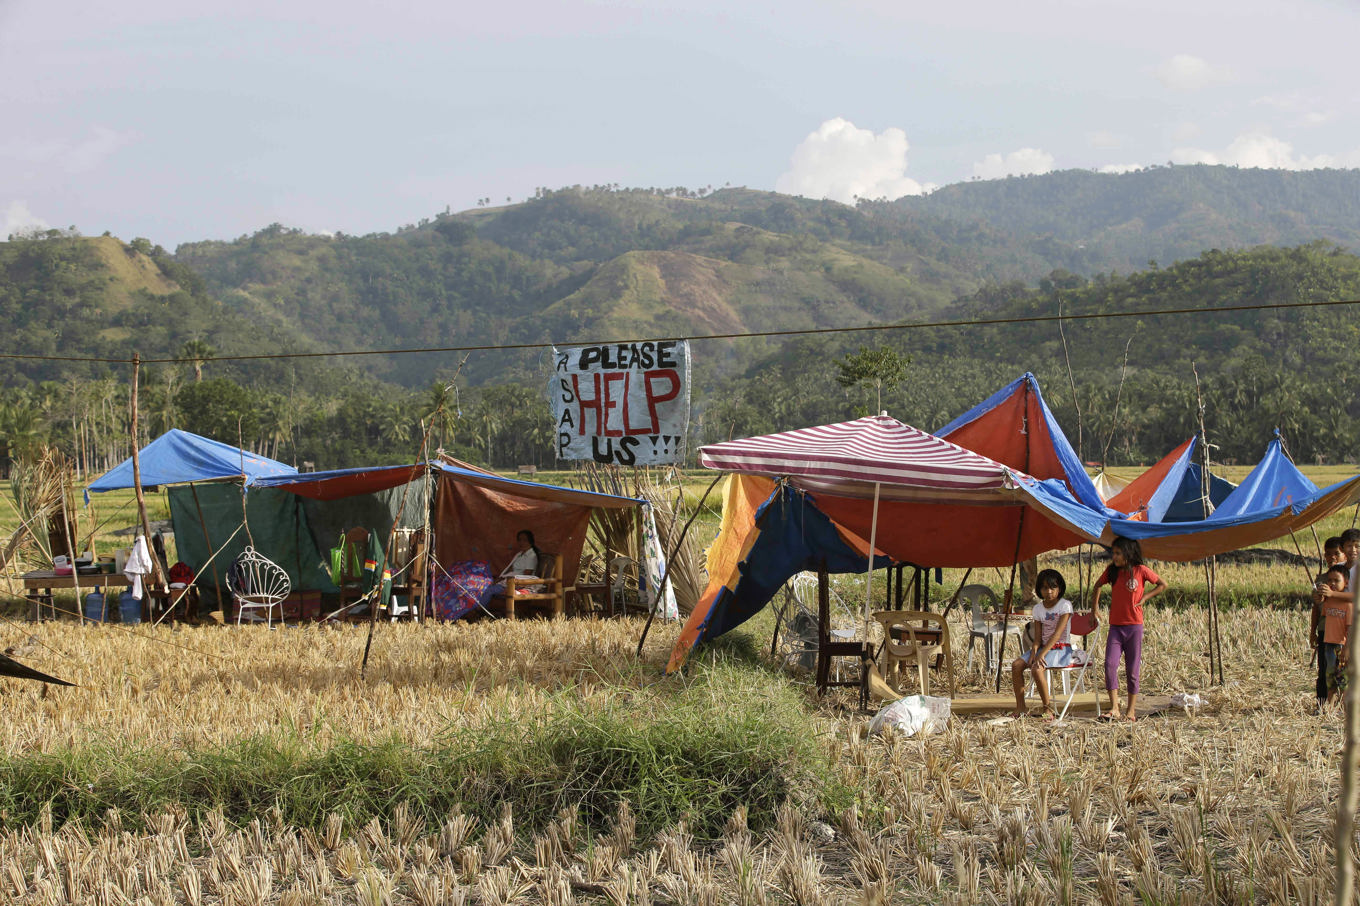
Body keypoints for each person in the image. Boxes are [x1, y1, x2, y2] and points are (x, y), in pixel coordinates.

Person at [1089, 536, 1167, 723]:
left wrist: (1146, 597)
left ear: (1128, 553)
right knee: (1109, 665)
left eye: (1118, 553)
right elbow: (1097, 585)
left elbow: (1162, 584)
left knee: (1132, 669)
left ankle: (1130, 711)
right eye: (1113, 553)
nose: (1114, 557)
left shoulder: (1141, 571)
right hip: (1115, 627)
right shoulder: (1112, 572)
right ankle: (1114, 707)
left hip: (1134, 627)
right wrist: (1094, 610)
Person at [1010, 568, 1073, 720]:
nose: (1049, 591)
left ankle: (1048, 709)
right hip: (1043, 648)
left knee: (1037, 669)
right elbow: (1038, 637)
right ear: (1039, 590)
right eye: (1045, 588)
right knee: (1016, 665)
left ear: (1060, 588)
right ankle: (1021, 707)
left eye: (1053, 587)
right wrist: (1033, 652)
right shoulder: (1038, 609)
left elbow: (1057, 634)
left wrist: (1041, 655)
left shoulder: (1065, 606)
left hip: (1060, 648)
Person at [1312, 564, 1350, 705]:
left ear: (1346, 583)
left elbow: (1350, 628)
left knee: (1344, 679)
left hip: (1341, 645)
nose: (1332, 584)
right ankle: (1329, 707)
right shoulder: (1328, 603)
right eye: (1330, 581)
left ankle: (1346, 708)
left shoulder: (1348, 604)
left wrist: (1347, 648)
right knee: (1330, 677)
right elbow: (1320, 615)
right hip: (1329, 644)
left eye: (1336, 580)